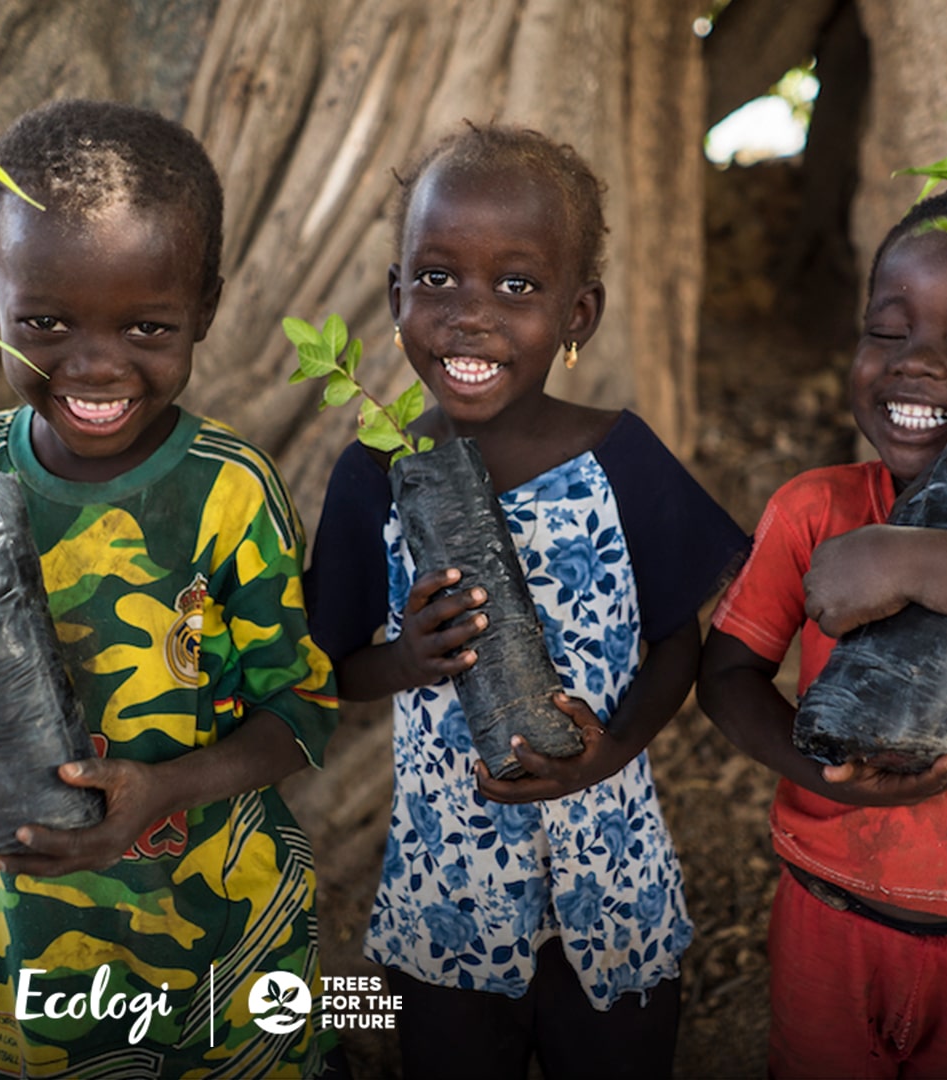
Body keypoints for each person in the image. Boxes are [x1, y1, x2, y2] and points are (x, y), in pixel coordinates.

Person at [303, 122, 749, 1079]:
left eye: (517, 286)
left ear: (578, 313)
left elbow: (680, 644)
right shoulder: (377, 475)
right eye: (437, 278)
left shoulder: (622, 458)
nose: (472, 316)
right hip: (447, 886)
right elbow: (326, 667)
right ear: (393, 297)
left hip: (615, 873)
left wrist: (609, 754)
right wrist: (408, 660)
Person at [0, 99, 342, 1077]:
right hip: (22, 951)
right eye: (45, 324)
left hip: (213, 935)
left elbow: (303, 708)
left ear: (206, 308)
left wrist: (164, 791)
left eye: (147, 326)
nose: (95, 365)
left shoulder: (228, 494)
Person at [699, 184, 947, 1079]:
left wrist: (902, 562)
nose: (915, 362)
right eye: (887, 329)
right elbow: (727, 675)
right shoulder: (815, 508)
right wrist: (818, 771)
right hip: (830, 916)